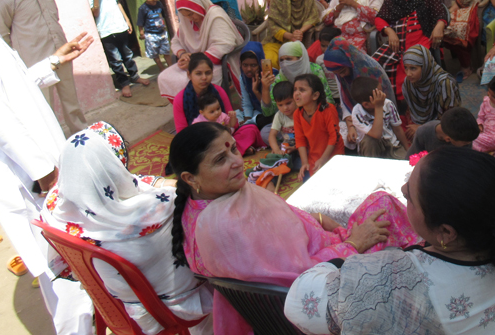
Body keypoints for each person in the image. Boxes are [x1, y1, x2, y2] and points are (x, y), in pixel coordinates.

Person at [284, 147, 495, 334]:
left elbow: (299, 303)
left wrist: (351, 246)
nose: (401, 189)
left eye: (410, 196)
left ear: (446, 233)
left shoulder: (398, 282)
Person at [168, 122, 421, 335]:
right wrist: (353, 244)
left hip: (316, 258)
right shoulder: (224, 226)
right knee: (384, 211)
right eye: (220, 159)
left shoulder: (209, 202)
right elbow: (298, 277)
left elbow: (282, 223)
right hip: (311, 295)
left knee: (380, 205)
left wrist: (319, 220)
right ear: (191, 178)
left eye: (234, 149)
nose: (237, 161)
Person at [41, 123, 212, 335]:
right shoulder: (156, 215)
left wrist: (159, 185)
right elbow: (178, 196)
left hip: (114, 305)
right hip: (169, 311)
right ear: (113, 168)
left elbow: (137, 183)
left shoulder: (55, 209)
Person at [0, 6, 95, 335]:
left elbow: (16, 90)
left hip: (40, 170)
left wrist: (53, 61)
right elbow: (0, 118)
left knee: (69, 270)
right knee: (65, 277)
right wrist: (43, 172)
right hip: (30, 179)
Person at [0, 0, 88, 133]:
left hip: (61, 53)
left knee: (70, 100)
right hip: (34, 62)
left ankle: (81, 134)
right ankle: (56, 143)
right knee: (45, 107)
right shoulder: (7, 0)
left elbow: (54, 18)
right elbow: (3, 34)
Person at [373, 0, 448, 101]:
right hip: (397, 40)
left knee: (410, 66)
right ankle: (390, 103)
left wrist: (439, 25)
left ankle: (411, 104)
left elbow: (440, 12)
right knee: (374, 64)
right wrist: (389, 32)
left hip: (421, 39)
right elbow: (380, 17)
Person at [158, 0, 244, 102]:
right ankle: (187, 111)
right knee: (164, 77)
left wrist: (195, 61)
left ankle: (202, 111)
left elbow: (225, 44)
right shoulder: (187, 21)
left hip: (214, 62)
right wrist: (183, 54)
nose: (189, 18)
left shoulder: (215, 16)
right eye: (185, 16)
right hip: (193, 61)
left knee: (189, 81)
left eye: (191, 14)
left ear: (198, 6)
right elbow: (176, 41)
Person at [79, 0, 150, 97]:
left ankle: (135, 76)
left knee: (127, 55)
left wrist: (127, 20)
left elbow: (118, 3)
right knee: (115, 60)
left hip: (119, 27)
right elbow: (95, 13)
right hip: (105, 31)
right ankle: (124, 83)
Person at [172, 53, 263, 154]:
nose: (204, 77)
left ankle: (223, 155)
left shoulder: (218, 91)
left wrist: (227, 126)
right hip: (199, 144)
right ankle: (233, 152)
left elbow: (234, 123)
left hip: (224, 136)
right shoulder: (180, 99)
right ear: (189, 75)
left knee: (251, 129)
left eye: (208, 73)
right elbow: (182, 134)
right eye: (198, 73)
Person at [322, 36, 396, 130]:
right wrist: (350, 120)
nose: (341, 76)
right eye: (336, 74)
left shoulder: (371, 71)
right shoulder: (341, 72)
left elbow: (382, 102)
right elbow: (344, 98)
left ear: (349, 63)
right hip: (358, 115)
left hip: (379, 114)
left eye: (342, 72)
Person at [262, 0, 321, 69]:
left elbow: (313, 16)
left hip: (299, 41)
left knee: (294, 64)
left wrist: (300, 32)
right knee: (269, 62)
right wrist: (290, 36)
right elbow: (272, 24)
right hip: (276, 41)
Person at [259, 40, 335, 118]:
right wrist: (265, 88)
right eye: (282, 60)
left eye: (289, 59)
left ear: (301, 58)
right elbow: (268, 112)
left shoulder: (315, 70)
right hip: (287, 119)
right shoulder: (281, 77)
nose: (285, 63)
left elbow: (327, 101)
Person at [292, 73, 344, 180]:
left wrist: (323, 160)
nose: (297, 93)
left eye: (302, 90)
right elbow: (300, 140)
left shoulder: (328, 109)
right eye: (295, 89)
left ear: (315, 95)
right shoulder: (297, 114)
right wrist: (305, 163)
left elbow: (334, 137)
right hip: (314, 158)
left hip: (333, 156)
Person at [402, 44, 460, 128]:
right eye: (406, 68)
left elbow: (451, 119)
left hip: (443, 127)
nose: (408, 73)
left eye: (413, 68)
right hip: (417, 124)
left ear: (425, 66)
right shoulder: (409, 82)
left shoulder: (445, 83)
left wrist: (421, 128)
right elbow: (410, 110)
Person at [351, 76, 410, 158]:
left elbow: (397, 129)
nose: (384, 95)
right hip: (372, 149)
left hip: (391, 144)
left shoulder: (388, 104)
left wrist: (408, 151)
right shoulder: (357, 113)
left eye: (382, 92)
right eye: (379, 95)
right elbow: (376, 134)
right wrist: (378, 107)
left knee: (406, 164)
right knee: (370, 140)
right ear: (366, 104)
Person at [406, 107, 480, 157]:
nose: (469, 144)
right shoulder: (423, 132)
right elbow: (412, 158)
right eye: (465, 143)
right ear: (448, 139)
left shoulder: (465, 136)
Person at [265, 81, 300, 173]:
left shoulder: (301, 112)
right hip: (287, 147)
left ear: (295, 99)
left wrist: (296, 147)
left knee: (307, 158)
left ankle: (289, 164)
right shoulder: (279, 115)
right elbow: (272, 135)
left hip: (302, 145)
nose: (285, 108)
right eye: (280, 105)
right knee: (275, 158)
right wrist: (276, 149)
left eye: (288, 103)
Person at [136, 0, 173, 71]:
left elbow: (163, 16)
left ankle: (171, 68)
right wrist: (141, 32)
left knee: (166, 52)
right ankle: (162, 69)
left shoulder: (159, 5)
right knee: (155, 54)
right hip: (151, 35)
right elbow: (140, 22)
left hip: (162, 33)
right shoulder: (143, 8)